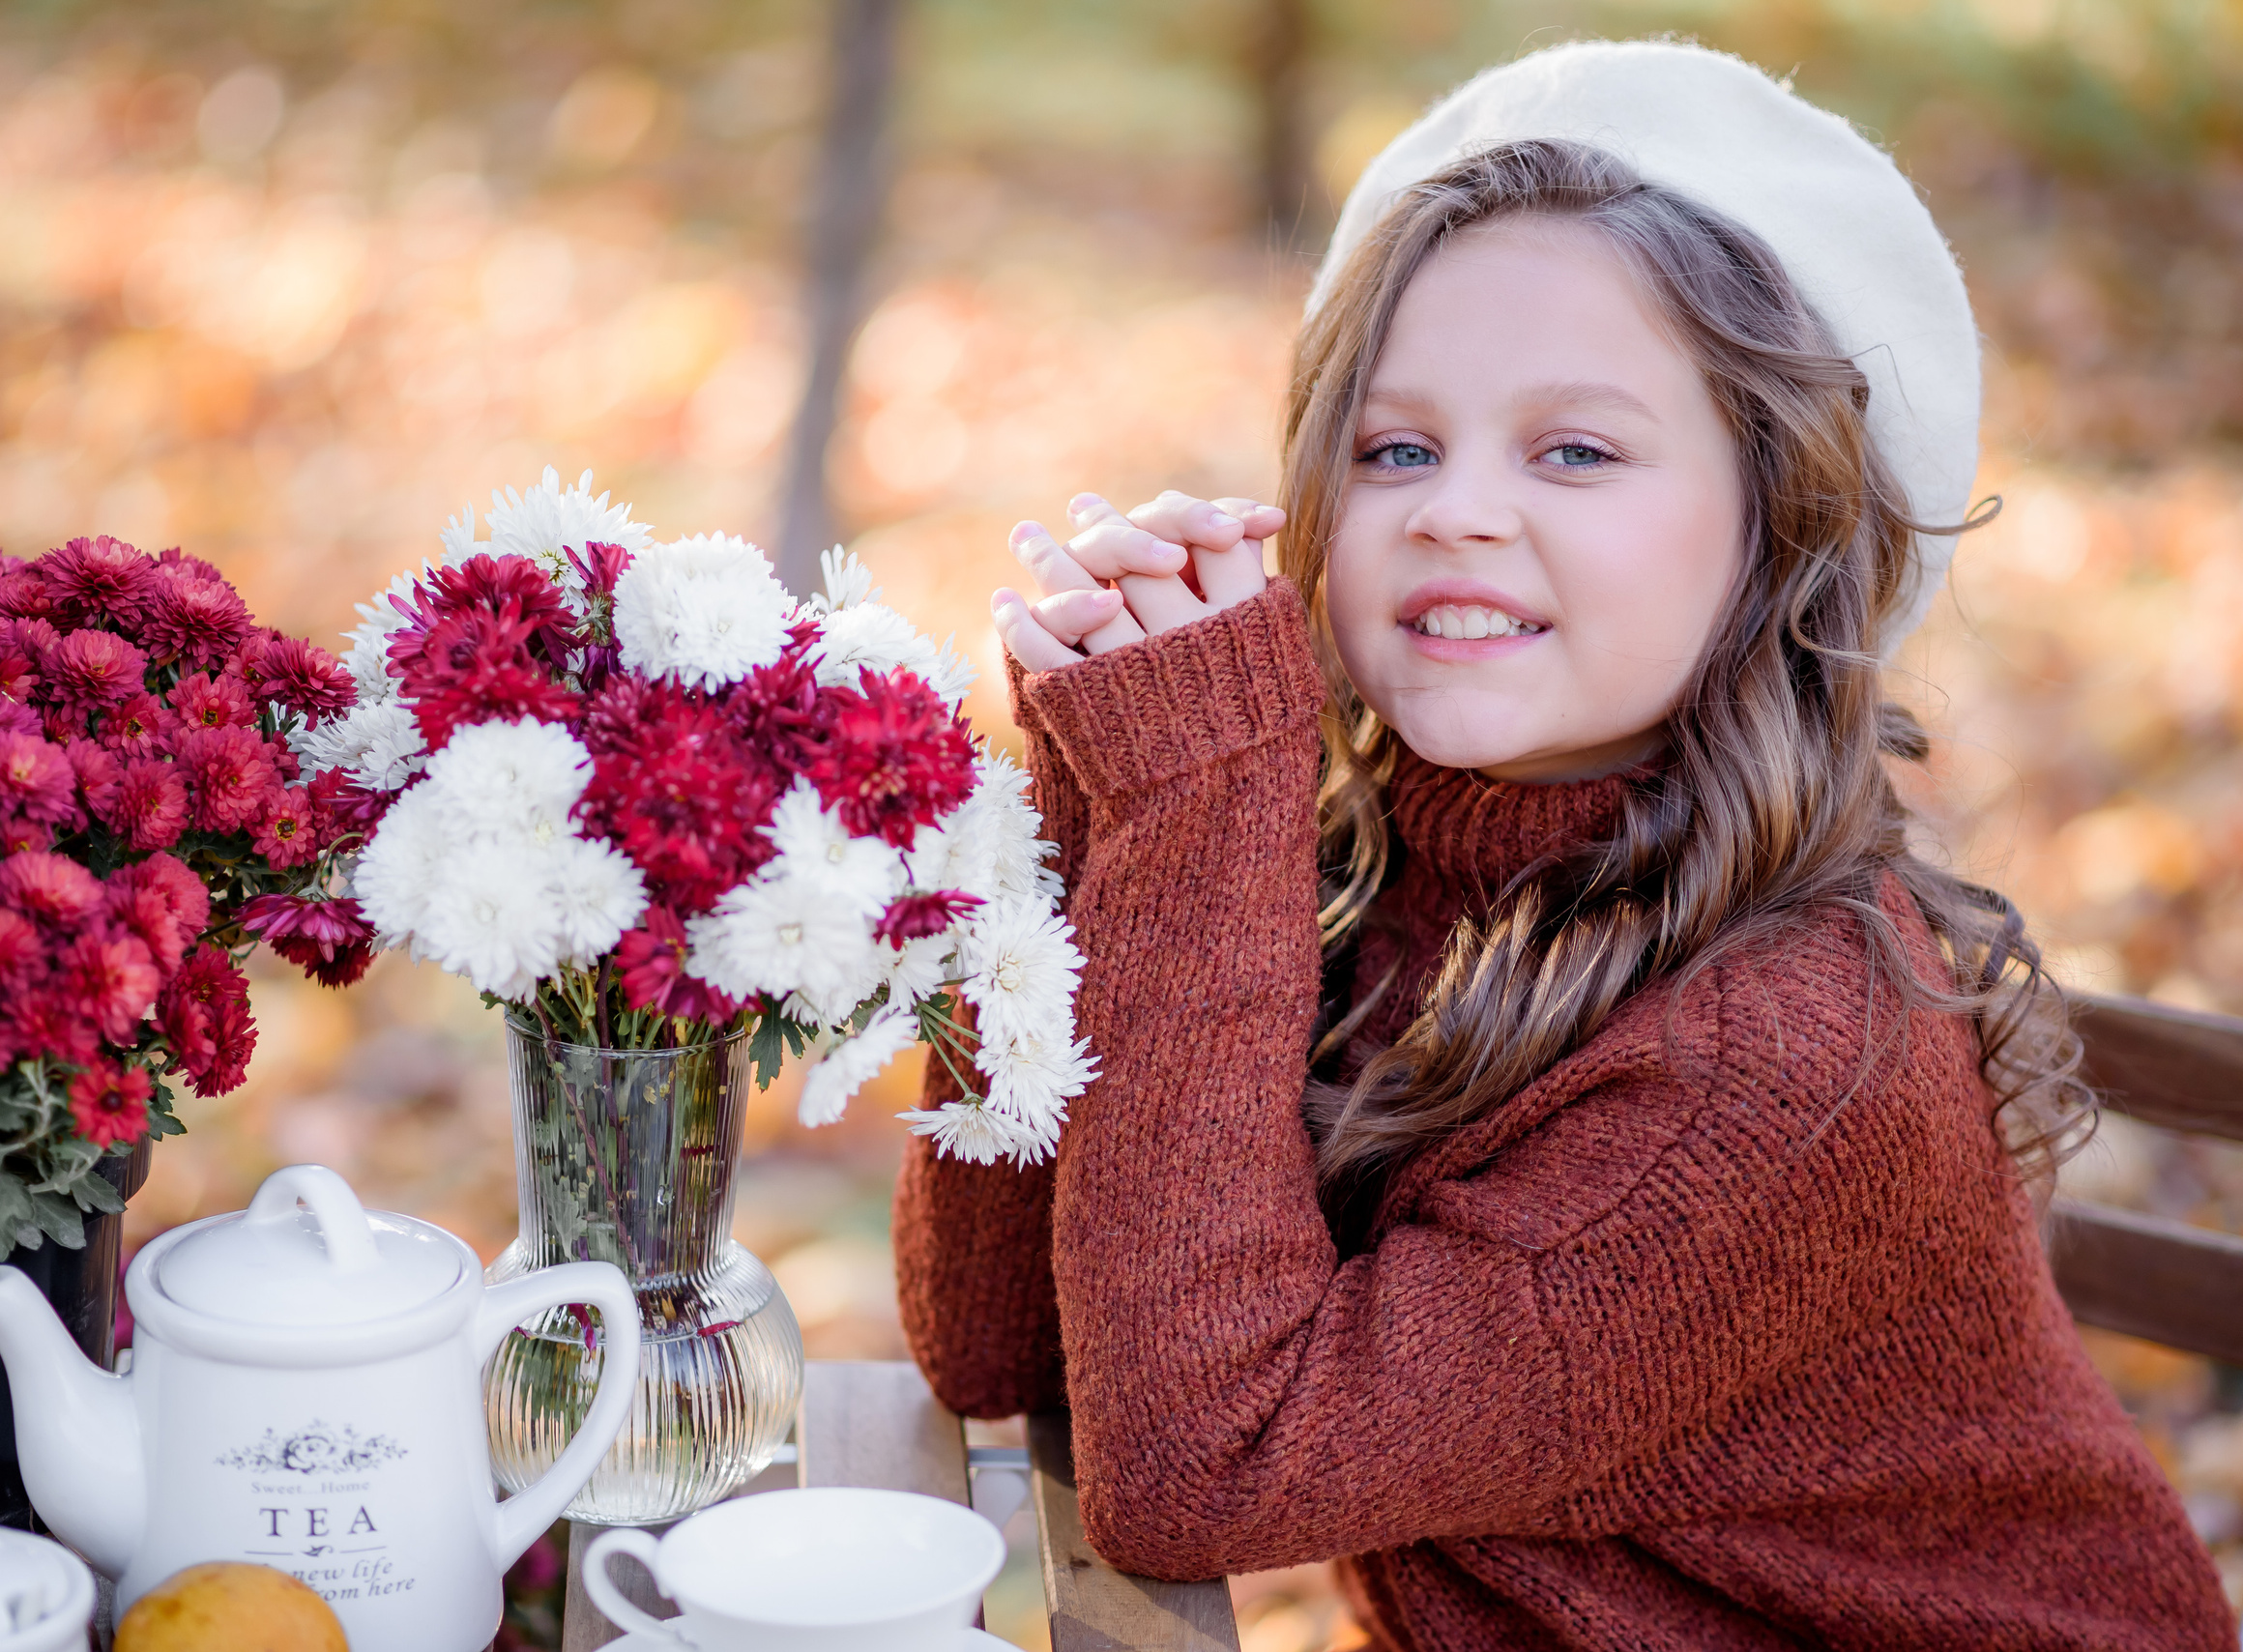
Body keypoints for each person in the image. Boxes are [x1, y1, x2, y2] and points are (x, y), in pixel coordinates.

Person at [890, 40, 2234, 1651]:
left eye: (1575, 450)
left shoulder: (1777, 1065)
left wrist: (1194, 812)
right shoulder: (1338, 857)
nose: (1454, 509)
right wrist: (1091, 796)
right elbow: (997, 1342)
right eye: (1395, 448)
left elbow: (1203, 1471)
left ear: (1779, 529)